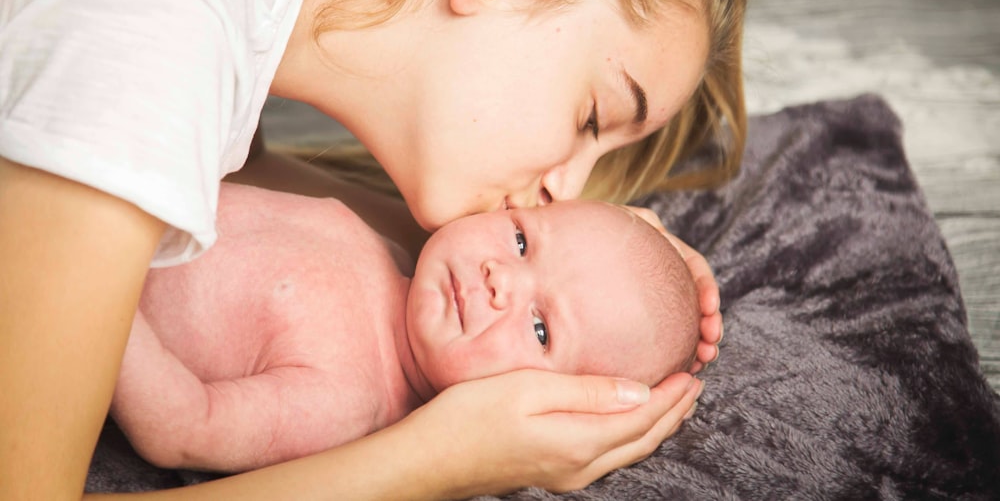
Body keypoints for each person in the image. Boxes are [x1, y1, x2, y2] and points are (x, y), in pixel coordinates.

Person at [0, 0, 770, 498]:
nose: (564, 187)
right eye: (592, 118)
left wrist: (590, 255)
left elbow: (229, 193)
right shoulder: (158, 35)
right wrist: (438, 459)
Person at [111, 183, 700, 474]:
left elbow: (182, 425)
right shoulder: (388, 246)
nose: (501, 279)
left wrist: (84, 269)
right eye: (521, 241)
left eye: (541, 328)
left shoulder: (346, 398)